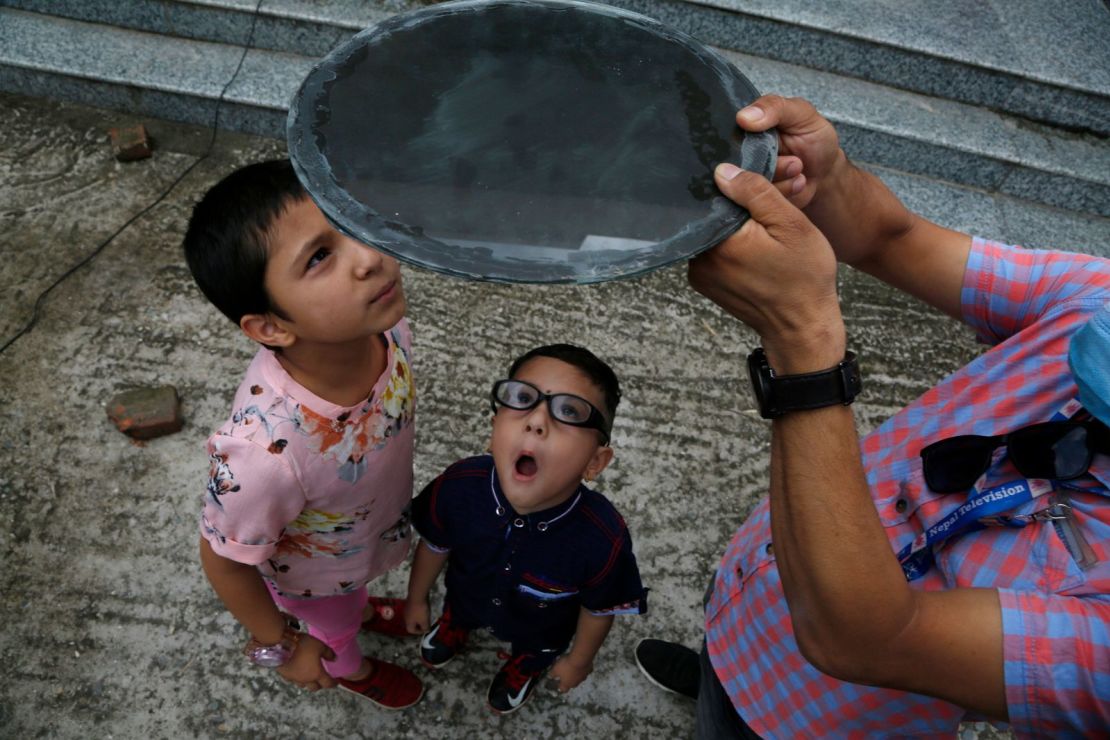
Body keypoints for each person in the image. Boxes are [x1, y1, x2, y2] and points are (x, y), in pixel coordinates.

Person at [635, 96, 1110, 737]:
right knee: (721, 670)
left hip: (812, 722)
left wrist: (803, 346)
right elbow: (897, 238)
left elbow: (868, 639)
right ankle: (715, 672)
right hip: (755, 578)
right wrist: (825, 179)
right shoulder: (1098, 298)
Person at [184, 159, 423, 710]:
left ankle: (357, 607)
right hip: (312, 577)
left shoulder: (385, 326)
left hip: (362, 536)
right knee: (332, 628)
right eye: (320, 257)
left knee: (350, 600)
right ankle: (350, 665)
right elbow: (222, 557)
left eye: (352, 224)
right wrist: (283, 645)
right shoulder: (266, 454)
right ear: (270, 327)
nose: (370, 257)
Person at [404, 343, 648, 714]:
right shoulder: (459, 485)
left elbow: (600, 608)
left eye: (569, 411)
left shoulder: (603, 538)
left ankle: (524, 666)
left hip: (542, 632)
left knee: (537, 649)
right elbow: (435, 544)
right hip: (464, 596)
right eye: (521, 398)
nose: (536, 420)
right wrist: (417, 598)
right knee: (459, 608)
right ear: (493, 430)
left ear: (595, 462)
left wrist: (579, 660)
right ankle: (454, 626)